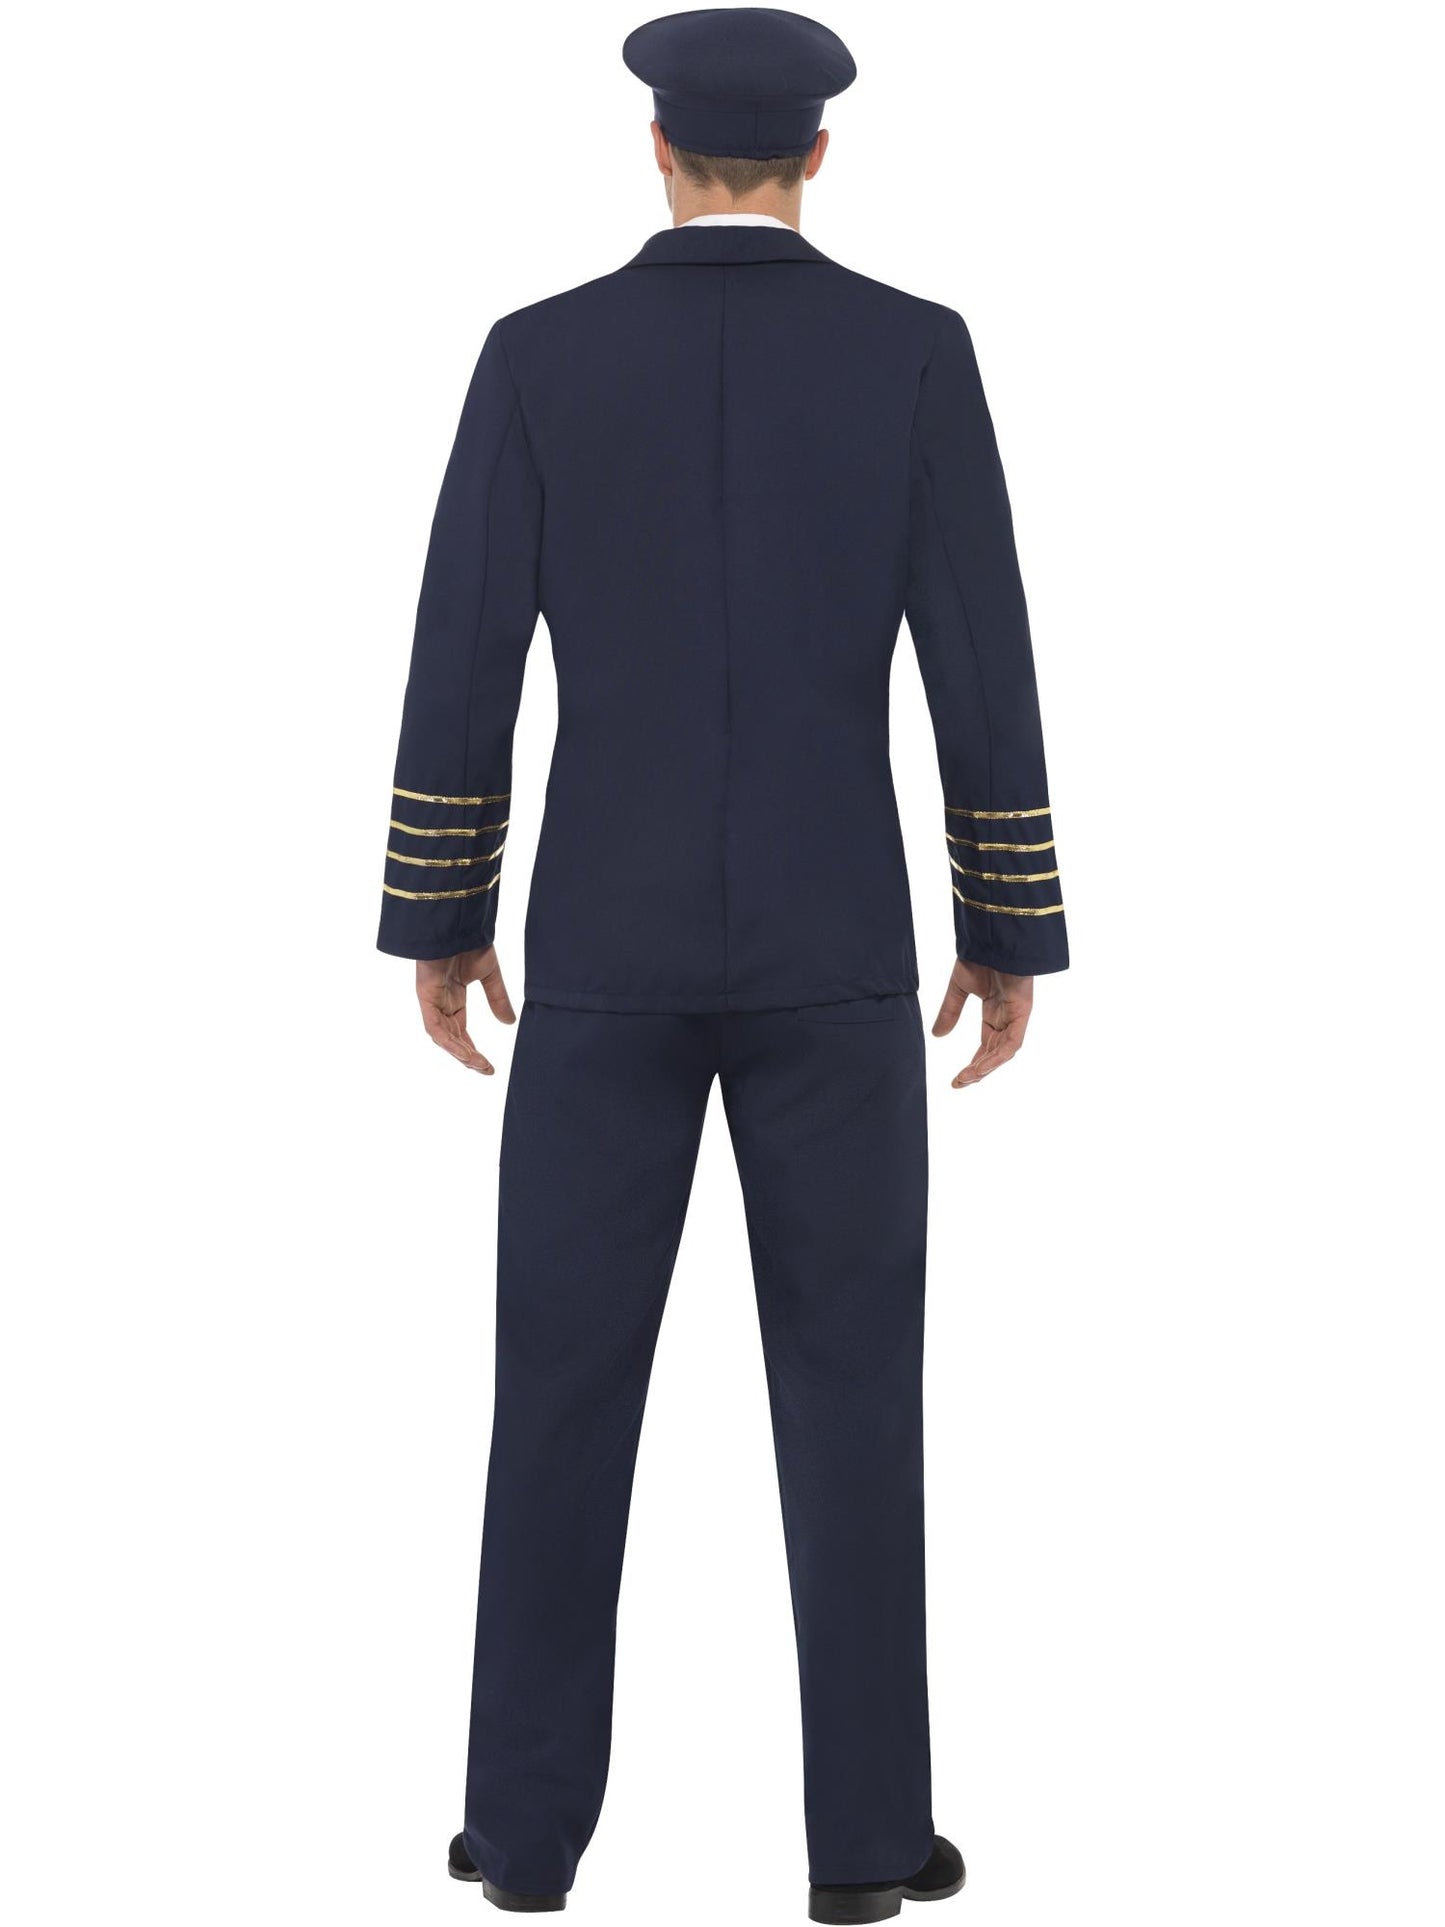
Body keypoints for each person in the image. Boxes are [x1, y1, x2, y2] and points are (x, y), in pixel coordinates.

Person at [377, 9, 1068, 1918]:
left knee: (557, 1391)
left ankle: (524, 1840)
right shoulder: (912, 353)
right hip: (838, 953)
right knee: (855, 1400)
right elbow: (979, 655)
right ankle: (864, 1845)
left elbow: (465, 645)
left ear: (656, 151)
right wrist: (1003, 922)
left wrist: (444, 910)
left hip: (598, 952)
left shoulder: (538, 354)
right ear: (817, 157)